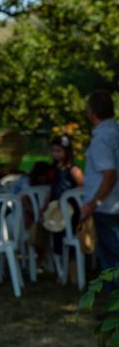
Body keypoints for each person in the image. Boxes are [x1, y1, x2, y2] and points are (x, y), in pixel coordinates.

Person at [80, 91, 119, 278]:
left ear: (92, 112)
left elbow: (110, 175)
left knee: (112, 261)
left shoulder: (102, 138)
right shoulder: (115, 132)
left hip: (107, 207)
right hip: (113, 205)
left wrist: (93, 202)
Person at [41, 135, 84, 259]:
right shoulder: (53, 169)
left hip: (71, 211)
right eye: (53, 151)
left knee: (69, 237)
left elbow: (82, 188)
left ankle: (72, 268)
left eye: (59, 151)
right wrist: (45, 205)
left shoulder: (74, 170)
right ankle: (61, 269)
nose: (55, 154)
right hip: (57, 210)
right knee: (57, 238)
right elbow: (52, 189)